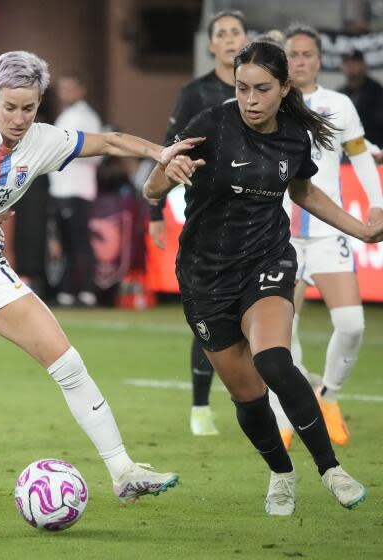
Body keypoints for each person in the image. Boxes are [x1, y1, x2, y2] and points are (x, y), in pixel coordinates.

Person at [0, 50, 201, 511]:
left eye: (29, 108)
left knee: (68, 363)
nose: (20, 118)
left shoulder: (44, 140)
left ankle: (123, 471)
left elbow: (109, 142)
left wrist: (159, 152)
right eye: (10, 107)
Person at [144, 41, 381, 515]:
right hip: (205, 276)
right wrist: (168, 172)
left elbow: (304, 192)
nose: (250, 99)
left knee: (274, 360)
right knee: (247, 394)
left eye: (262, 89)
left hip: (265, 260)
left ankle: (331, 469)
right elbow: (151, 189)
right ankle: (280, 473)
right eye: (242, 88)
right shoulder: (210, 125)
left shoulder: (295, 135)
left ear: (284, 88)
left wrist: (364, 230)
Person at [267, 26, 383, 450]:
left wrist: (377, 204)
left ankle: (328, 396)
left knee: (352, 325)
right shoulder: (269, 103)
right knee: (281, 330)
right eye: (292, 54)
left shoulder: (339, 105)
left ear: (319, 59)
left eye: (307, 54)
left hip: (327, 233)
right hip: (278, 236)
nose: (299, 61)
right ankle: (286, 415)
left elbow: (359, 154)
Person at [149, 10, 249, 437]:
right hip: (208, 216)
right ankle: (201, 406)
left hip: (260, 217)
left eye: (236, 33)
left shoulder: (262, 92)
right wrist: (155, 212)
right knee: (212, 309)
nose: (229, 40)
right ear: (210, 45)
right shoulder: (196, 93)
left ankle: (266, 399)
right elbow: (168, 152)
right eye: (221, 34)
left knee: (265, 310)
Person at [47, 74, 106, 307]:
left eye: (71, 88)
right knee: (65, 243)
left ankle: (87, 292)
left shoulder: (87, 117)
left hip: (77, 188)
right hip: (60, 188)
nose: (66, 93)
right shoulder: (65, 116)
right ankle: (68, 291)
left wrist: (63, 153)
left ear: (81, 90)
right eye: (63, 88)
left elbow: (97, 154)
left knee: (80, 242)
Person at [338, 49, 383, 153]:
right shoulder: (339, 94)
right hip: (345, 153)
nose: (350, 66)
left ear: (363, 65)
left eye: (354, 62)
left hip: (374, 151)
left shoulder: (377, 92)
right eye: (347, 63)